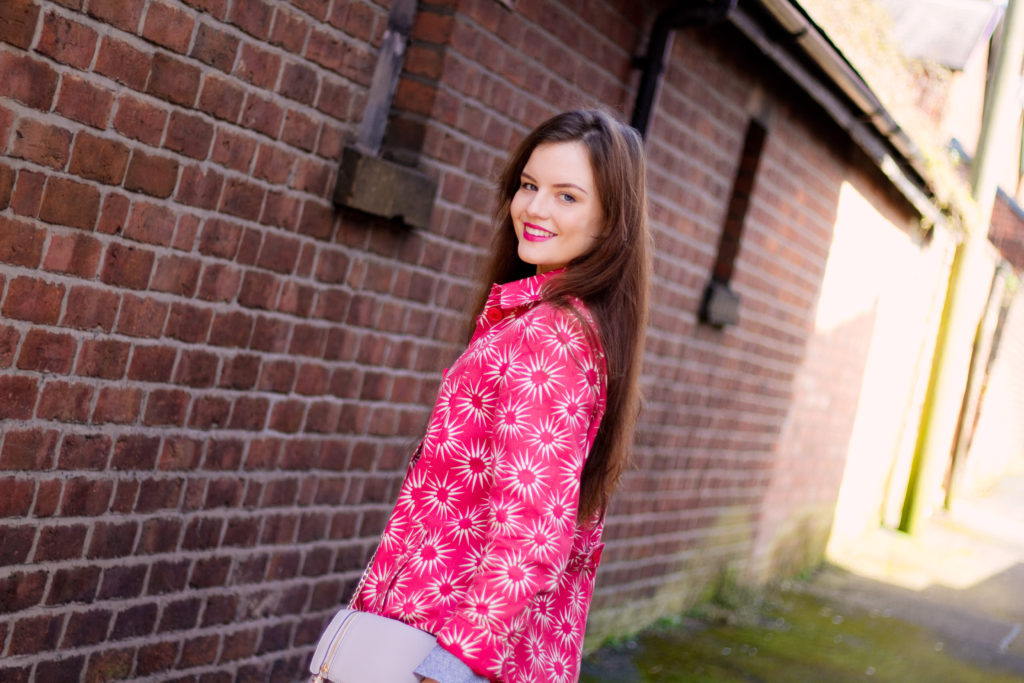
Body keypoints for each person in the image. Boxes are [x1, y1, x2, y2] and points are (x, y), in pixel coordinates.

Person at [349, 109, 650, 682]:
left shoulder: (551, 336)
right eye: (529, 186)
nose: (534, 208)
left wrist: (447, 669)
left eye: (567, 196)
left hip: (437, 648)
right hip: (423, 631)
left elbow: (534, 532)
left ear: (612, 220)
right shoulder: (542, 320)